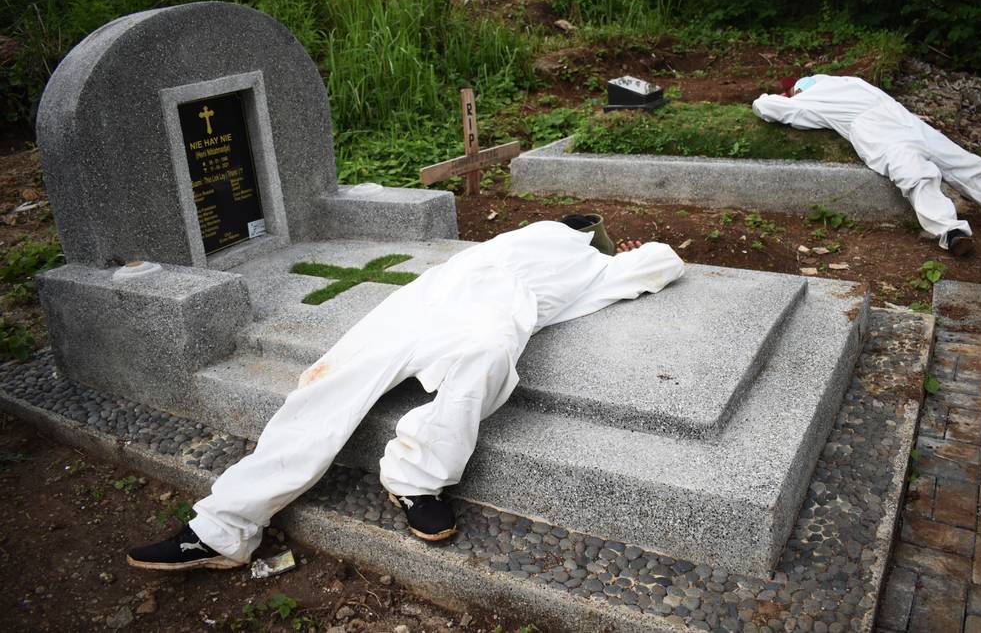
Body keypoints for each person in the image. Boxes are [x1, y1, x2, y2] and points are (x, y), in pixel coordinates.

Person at [126, 216, 685, 571]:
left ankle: (416, 478)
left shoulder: (598, 266)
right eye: (579, 220)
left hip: (497, 306)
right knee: (329, 383)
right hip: (429, 294)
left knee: (489, 356)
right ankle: (221, 528)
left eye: (591, 223)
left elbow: (665, 263)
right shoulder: (530, 231)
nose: (581, 221)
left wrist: (637, 251)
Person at [752, 75, 981, 256]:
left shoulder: (819, 91)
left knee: (964, 165)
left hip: (900, 123)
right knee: (924, 175)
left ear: (798, 88)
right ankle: (952, 232)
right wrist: (778, 100)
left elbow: (769, 106)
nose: (787, 94)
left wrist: (768, 98)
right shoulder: (829, 91)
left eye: (789, 90)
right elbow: (777, 108)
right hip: (888, 129)